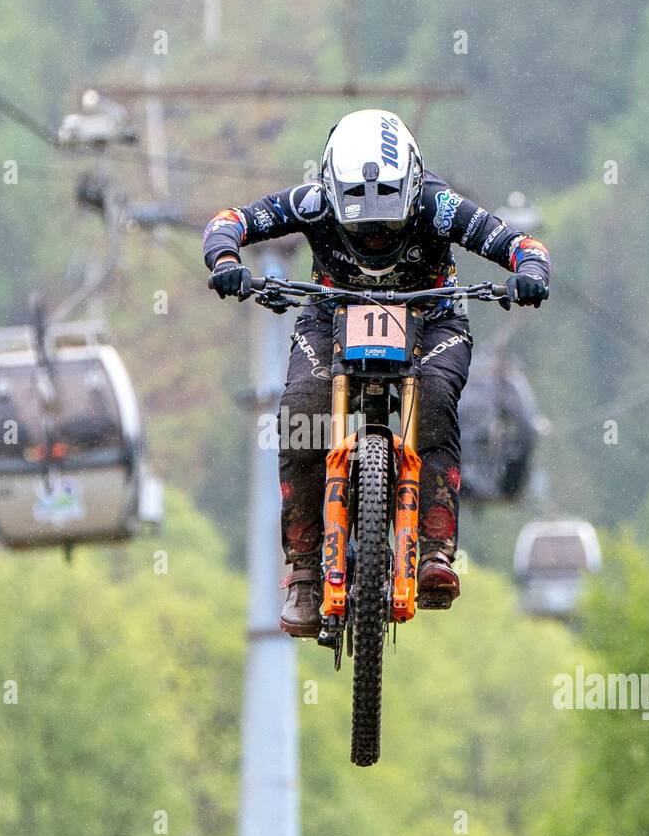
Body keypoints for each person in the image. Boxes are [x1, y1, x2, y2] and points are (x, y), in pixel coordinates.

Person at [203, 109, 550, 636]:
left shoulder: (440, 205)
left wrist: (529, 271)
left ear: (412, 191)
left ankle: (435, 547)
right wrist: (225, 259)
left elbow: (519, 244)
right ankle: (303, 571)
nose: (373, 241)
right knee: (301, 414)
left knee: (433, 399)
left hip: (431, 316)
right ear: (332, 196)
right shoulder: (310, 202)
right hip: (329, 315)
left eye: (387, 227)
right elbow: (229, 220)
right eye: (359, 228)